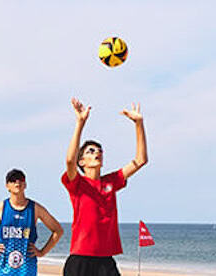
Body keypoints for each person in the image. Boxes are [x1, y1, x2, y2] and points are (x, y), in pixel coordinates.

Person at [61, 98, 147, 276]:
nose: (97, 153)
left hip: (105, 261)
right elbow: (69, 160)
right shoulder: (77, 183)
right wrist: (80, 123)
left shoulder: (111, 182)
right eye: (90, 151)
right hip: (80, 259)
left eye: (99, 150)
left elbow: (140, 160)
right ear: (82, 161)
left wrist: (139, 124)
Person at [0, 169, 64, 276]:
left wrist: (42, 252)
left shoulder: (35, 209)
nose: (17, 182)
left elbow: (58, 230)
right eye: (13, 180)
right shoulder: (1, 208)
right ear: (7, 186)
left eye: (21, 180)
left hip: (26, 269)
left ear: (25, 184)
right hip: (3, 268)